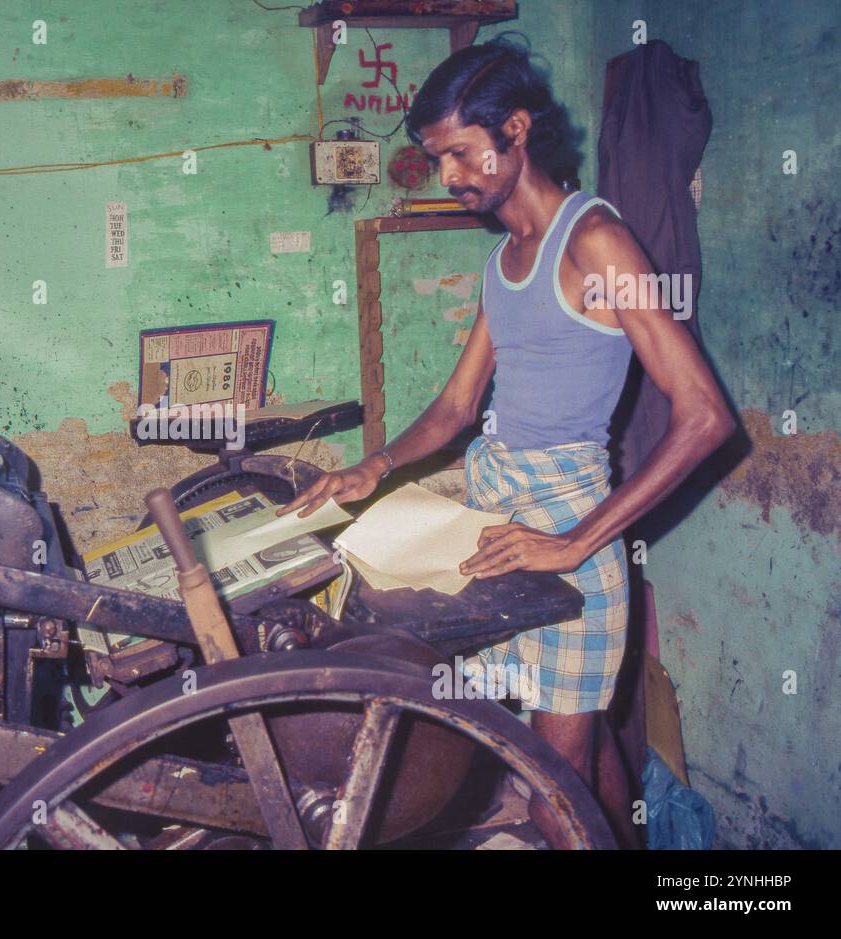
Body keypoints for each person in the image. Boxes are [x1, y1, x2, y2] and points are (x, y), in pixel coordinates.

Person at [279, 38, 734, 849]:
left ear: (516, 129)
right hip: (498, 514)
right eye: (436, 158)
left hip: (569, 527)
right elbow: (456, 407)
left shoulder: (595, 243)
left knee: (547, 789)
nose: (449, 175)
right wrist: (371, 467)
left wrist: (573, 542)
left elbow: (704, 413)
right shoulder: (503, 262)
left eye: (459, 152)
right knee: (573, 756)